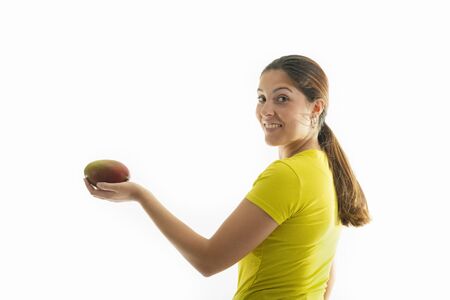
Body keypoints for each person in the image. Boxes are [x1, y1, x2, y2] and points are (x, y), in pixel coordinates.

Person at [83, 54, 371, 300]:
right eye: (261, 98)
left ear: (316, 107)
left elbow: (208, 260)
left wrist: (140, 196)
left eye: (282, 98)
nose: (266, 110)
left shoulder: (289, 175)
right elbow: (326, 279)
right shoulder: (325, 168)